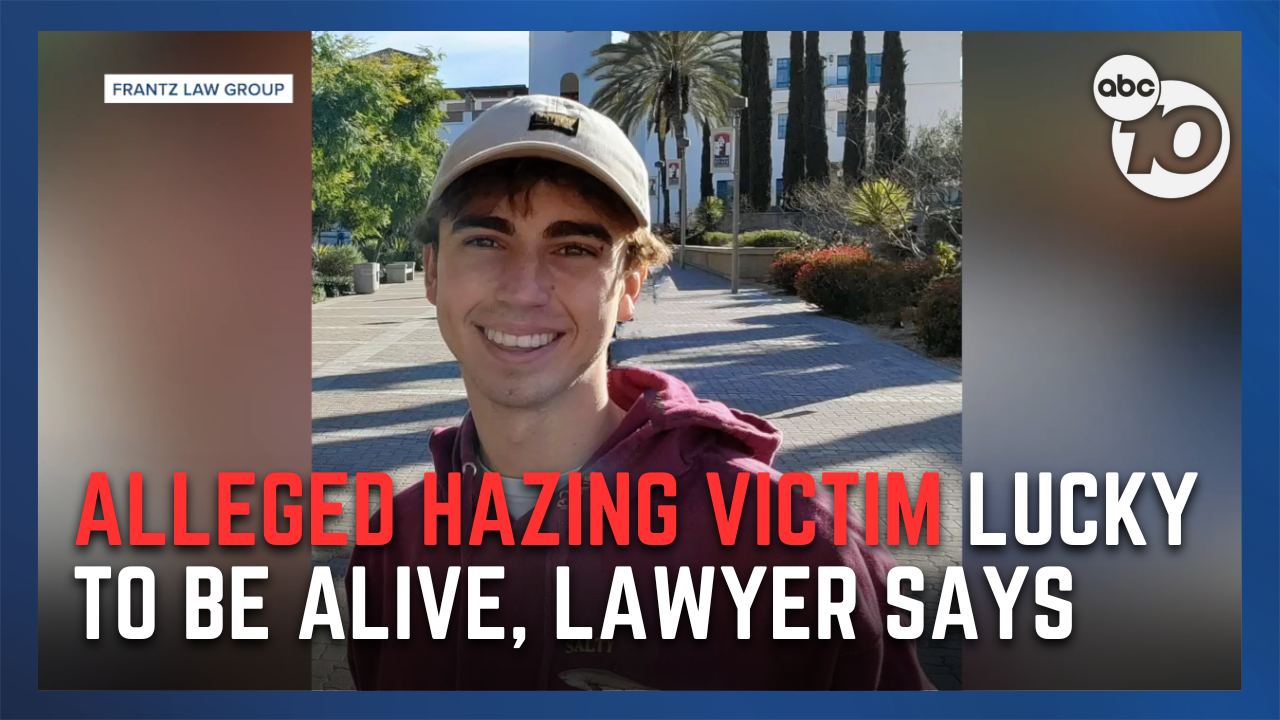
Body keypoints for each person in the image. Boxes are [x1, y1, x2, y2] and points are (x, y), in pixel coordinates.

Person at [345, 94, 934, 691]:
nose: (523, 290)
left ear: (630, 286)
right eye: (485, 241)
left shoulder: (797, 547)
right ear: (433, 271)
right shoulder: (395, 544)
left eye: (574, 249)